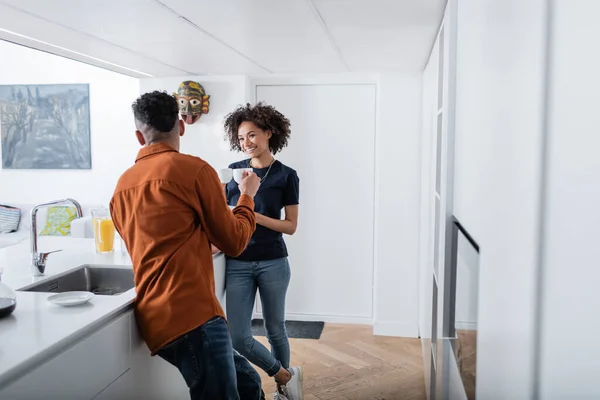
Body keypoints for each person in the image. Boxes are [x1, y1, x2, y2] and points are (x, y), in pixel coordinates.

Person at [110, 91, 264, 400]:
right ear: (181, 126)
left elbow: (153, 244)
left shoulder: (121, 187)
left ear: (140, 136)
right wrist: (247, 195)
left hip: (155, 319)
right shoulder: (194, 170)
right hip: (193, 316)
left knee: (247, 381)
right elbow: (234, 242)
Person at [222, 102, 302, 400]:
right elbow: (220, 214)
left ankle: (285, 391)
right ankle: (284, 374)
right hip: (237, 262)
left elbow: (290, 226)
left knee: (275, 330)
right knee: (238, 336)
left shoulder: (286, 175)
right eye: (242, 138)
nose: (247, 143)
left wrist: (252, 214)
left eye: (253, 135)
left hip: (273, 262)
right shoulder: (230, 173)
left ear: (270, 133)